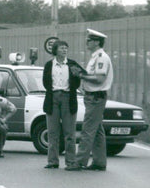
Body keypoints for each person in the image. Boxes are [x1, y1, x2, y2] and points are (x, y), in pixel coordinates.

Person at [74, 29, 113, 171]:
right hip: (93, 96)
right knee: (97, 131)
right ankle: (99, 162)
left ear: (96, 42)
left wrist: (81, 76)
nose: (87, 42)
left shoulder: (101, 57)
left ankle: (79, 162)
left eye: (89, 40)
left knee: (88, 130)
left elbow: (99, 78)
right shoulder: (94, 57)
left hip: (96, 96)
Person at [42, 39, 85, 169]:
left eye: (66, 48)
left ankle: (71, 161)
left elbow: (79, 78)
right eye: (61, 48)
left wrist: (70, 89)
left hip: (68, 97)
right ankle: (52, 161)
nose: (64, 50)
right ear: (55, 50)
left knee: (69, 133)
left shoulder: (72, 64)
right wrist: (53, 91)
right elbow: (46, 82)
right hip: (53, 98)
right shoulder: (49, 65)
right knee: (53, 132)